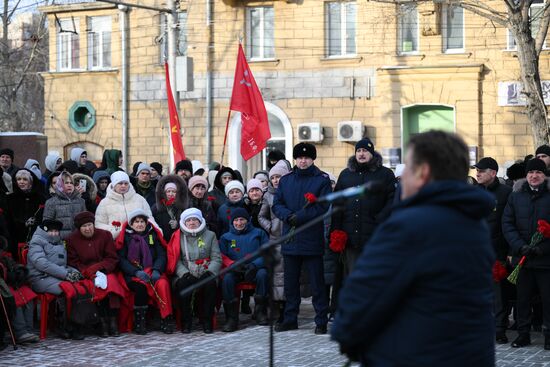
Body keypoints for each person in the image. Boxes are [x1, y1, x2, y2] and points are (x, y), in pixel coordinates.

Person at [331, 130, 495, 366]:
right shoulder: (471, 222)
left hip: (416, 355)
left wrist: (354, 342)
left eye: (407, 166)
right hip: (468, 354)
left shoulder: (410, 225)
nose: (403, 174)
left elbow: (359, 303)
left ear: (423, 172)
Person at [272, 142, 332, 335]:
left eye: (306, 158)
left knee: (317, 283)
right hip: (290, 239)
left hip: (311, 237)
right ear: (295, 159)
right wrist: (288, 216)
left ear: (312, 159)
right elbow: (277, 203)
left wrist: (302, 217)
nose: (303, 161)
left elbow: (322, 206)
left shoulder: (321, 180)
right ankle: (290, 319)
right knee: (291, 284)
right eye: (299, 158)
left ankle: (321, 320)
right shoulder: (286, 180)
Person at [502, 158, 550, 349]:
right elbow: (507, 224)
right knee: (522, 299)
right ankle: (523, 334)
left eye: (538, 172)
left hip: (545, 260)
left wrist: (542, 248)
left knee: (548, 300)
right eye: (531, 173)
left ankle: (548, 335)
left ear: (544, 175)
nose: (534, 176)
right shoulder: (516, 196)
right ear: (526, 175)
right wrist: (520, 246)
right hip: (522, 259)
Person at [331, 138, 396, 274]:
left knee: (375, 275)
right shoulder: (345, 175)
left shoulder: (385, 174)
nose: (361, 154)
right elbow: (337, 203)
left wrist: (380, 219)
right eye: (359, 150)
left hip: (375, 236)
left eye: (365, 151)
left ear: (372, 153)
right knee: (353, 276)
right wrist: (336, 230)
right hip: (350, 238)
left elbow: (393, 200)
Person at [473, 157, 513, 344]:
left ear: (493, 173)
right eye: (476, 170)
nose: (477, 173)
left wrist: (508, 251)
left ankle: (499, 328)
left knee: (499, 295)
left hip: (497, 251)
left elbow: (509, 222)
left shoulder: (506, 193)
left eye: (481, 170)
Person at [66, 211, 124, 338]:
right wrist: (88, 272)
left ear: (93, 224)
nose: (87, 229)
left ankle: (113, 322)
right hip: (85, 274)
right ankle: (102, 323)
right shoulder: (72, 239)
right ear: (79, 228)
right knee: (94, 287)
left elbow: (112, 258)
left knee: (111, 285)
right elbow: (73, 261)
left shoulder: (105, 235)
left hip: (105, 270)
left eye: (89, 225)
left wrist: (100, 269)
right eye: (84, 226)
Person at [115, 209, 173, 335]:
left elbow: (161, 255)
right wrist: (135, 272)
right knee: (140, 287)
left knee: (163, 285)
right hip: (134, 274)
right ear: (131, 224)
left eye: (142, 221)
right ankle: (140, 322)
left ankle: (166, 319)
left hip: (153, 270)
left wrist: (157, 270)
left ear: (146, 223)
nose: (140, 224)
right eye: (137, 222)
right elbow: (121, 259)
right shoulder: (125, 237)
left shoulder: (153, 235)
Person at [26, 219, 85, 340]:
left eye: (56, 231)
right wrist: (65, 275)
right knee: (68, 289)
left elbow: (62, 265)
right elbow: (42, 264)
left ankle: (74, 325)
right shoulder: (36, 242)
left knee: (81, 287)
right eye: (51, 231)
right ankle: (63, 325)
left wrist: (74, 272)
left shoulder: (59, 243)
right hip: (40, 278)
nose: (54, 234)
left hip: (56, 277)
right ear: (44, 231)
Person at [168, 208, 221, 334]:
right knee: (182, 285)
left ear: (200, 221)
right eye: (189, 220)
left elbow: (217, 258)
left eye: (195, 220)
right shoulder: (178, 236)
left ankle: (207, 320)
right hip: (186, 272)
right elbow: (175, 259)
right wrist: (184, 274)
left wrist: (209, 272)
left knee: (210, 284)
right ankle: (186, 321)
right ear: (184, 222)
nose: (192, 223)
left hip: (205, 270)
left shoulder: (210, 235)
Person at [219, 208, 269, 332]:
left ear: (248, 221)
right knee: (227, 279)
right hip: (236, 269)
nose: (239, 223)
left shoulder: (259, 233)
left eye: (242, 219)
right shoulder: (226, 237)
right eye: (236, 220)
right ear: (232, 222)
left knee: (263, 275)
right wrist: (232, 265)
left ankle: (260, 311)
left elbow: (267, 253)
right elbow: (221, 256)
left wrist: (255, 265)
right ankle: (231, 318)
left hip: (254, 269)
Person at [258, 160, 290, 322]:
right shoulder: (268, 195)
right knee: (277, 274)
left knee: (289, 274)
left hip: (290, 237)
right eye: (274, 177)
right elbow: (261, 216)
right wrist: (271, 227)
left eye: (279, 177)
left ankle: (288, 306)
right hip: (275, 239)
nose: (276, 180)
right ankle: (277, 306)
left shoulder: (291, 192)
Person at [95, 171, 159, 239]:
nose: (123, 186)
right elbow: (99, 224)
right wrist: (116, 231)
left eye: (126, 183)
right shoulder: (104, 203)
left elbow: (149, 218)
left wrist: (157, 232)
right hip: (115, 241)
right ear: (114, 185)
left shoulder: (139, 199)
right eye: (120, 183)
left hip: (139, 240)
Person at [0, 236, 39, 344]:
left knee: (28, 294)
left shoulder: (4, 255)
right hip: (3, 286)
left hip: (11, 283)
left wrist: (19, 272)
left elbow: (12, 265)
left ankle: (28, 329)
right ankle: (21, 332)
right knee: (14, 298)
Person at [5, 169, 46, 257]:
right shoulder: (10, 199)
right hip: (15, 239)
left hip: (35, 238)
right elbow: (8, 220)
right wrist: (22, 224)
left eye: (25, 179)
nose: (21, 182)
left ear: (31, 182)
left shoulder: (40, 198)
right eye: (19, 179)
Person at [43, 171, 86, 239]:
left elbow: (85, 221)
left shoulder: (81, 201)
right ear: (60, 184)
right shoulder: (51, 202)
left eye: (71, 183)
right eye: (66, 183)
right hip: (60, 242)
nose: (69, 185)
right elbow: (47, 223)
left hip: (78, 240)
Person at [152, 175, 190, 242]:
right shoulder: (156, 207)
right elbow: (153, 224)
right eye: (168, 191)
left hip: (179, 240)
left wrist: (178, 224)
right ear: (164, 193)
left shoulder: (183, 207)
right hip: (161, 240)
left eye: (174, 191)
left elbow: (189, 223)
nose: (171, 194)